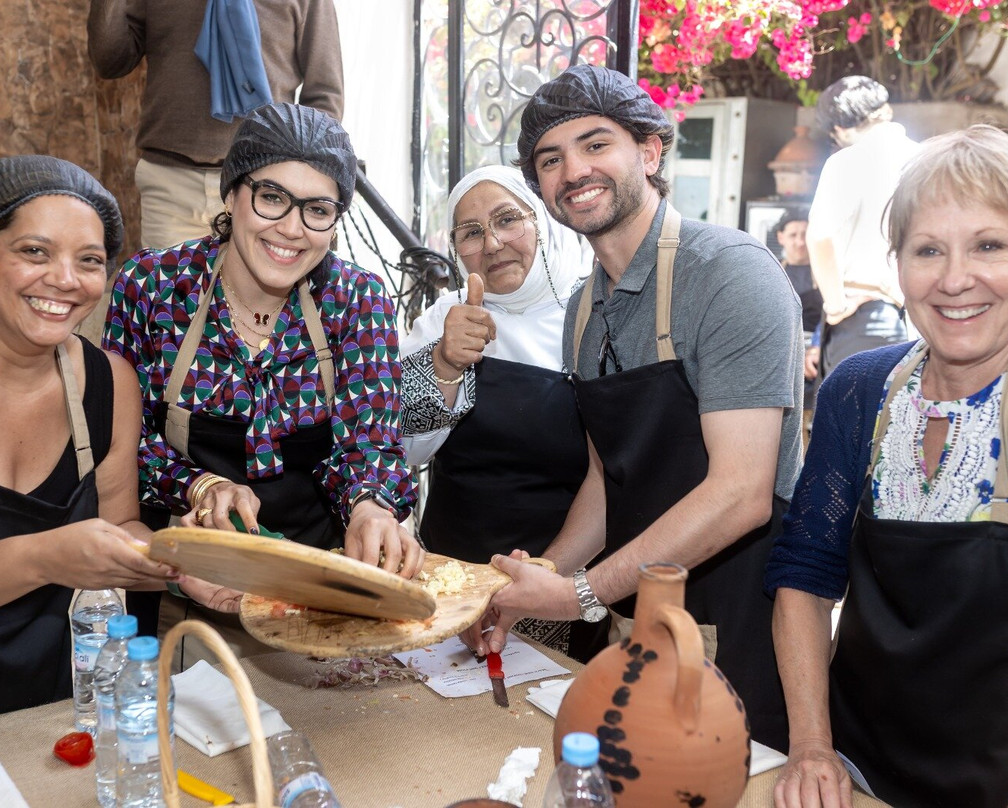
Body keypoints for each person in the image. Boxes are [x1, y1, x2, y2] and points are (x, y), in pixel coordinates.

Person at [466, 64, 804, 753]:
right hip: (637, 624)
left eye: (596, 145)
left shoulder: (730, 273)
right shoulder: (584, 311)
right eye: (551, 160)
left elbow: (743, 494)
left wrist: (580, 594)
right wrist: (541, 583)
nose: (574, 171)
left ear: (650, 152)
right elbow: (605, 478)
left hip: (743, 620)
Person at [767, 124, 1008, 808]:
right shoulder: (862, 387)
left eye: (989, 245)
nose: (955, 279)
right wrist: (812, 748)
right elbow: (806, 578)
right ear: (895, 263)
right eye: (928, 249)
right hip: (855, 770)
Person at [103, 103, 422, 583]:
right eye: (272, 198)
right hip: (181, 575)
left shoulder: (357, 298)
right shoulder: (153, 286)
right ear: (231, 194)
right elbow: (121, 445)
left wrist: (369, 507)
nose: (292, 230)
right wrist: (200, 486)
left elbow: (369, 445)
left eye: (317, 210)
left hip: (322, 583)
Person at [0, 155, 183, 718]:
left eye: (89, 260)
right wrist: (44, 558)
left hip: (60, 711)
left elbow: (119, 524)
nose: (66, 280)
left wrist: (182, 563)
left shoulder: (110, 382)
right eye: (35, 252)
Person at [400, 165, 590, 562]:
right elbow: (402, 451)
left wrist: (548, 578)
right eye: (470, 232)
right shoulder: (443, 319)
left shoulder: (592, 313)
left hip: (561, 578)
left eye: (507, 220)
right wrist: (445, 364)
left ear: (543, 222)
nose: (491, 243)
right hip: (451, 575)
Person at [87, 0, 344, 249]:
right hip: (171, 182)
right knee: (171, 292)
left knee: (259, 293)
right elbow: (111, 61)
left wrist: (293, 184)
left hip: (264, 184)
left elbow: (325, 97)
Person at [806, 75, 918, 380]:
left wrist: (835, 304)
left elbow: (821, 236)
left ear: (839, 128)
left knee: (852, 424)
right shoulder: (923, 158)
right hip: (917, 320)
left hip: (861, 318)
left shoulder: (847, 160)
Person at [775, 209, 823, 434]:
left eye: (805, 234)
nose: (800, 242)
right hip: (782, 351)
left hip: (817, 354)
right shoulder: (771, 270)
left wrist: (817, 347)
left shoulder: (824, 273)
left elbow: (829, 315)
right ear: (780, 237)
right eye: (793, 235)